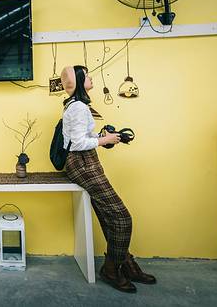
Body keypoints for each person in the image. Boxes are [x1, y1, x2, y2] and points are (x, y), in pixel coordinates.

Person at [60, 65, 156, 293]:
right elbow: (77, 144)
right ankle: (112, 269)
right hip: (82, 163)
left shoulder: (75, 105)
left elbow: (81, 137)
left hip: (85, 161)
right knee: (122, 218)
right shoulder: (79, 107)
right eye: (87, 75)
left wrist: (103, 137)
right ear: (80, 81)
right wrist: (104, 140)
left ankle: (126, 265)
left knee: (108, 216)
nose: (91, 77)